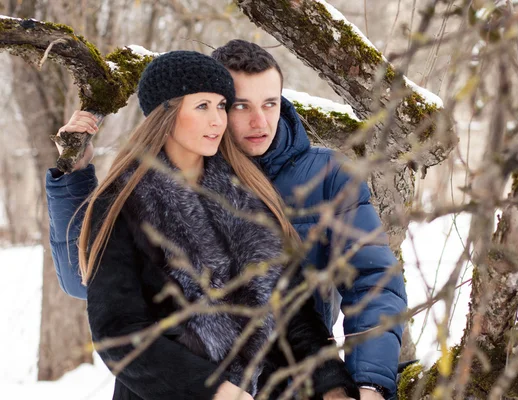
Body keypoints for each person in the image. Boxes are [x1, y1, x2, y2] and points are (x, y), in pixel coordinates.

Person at [46, 40, 407, 399]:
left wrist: (350, 384)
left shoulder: (268, 187)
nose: (254, 121)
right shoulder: (132, 198)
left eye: (269, 104)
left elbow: (311, 304)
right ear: (167, 114)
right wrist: (74, 177)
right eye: (231, 105)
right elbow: (106, 309)